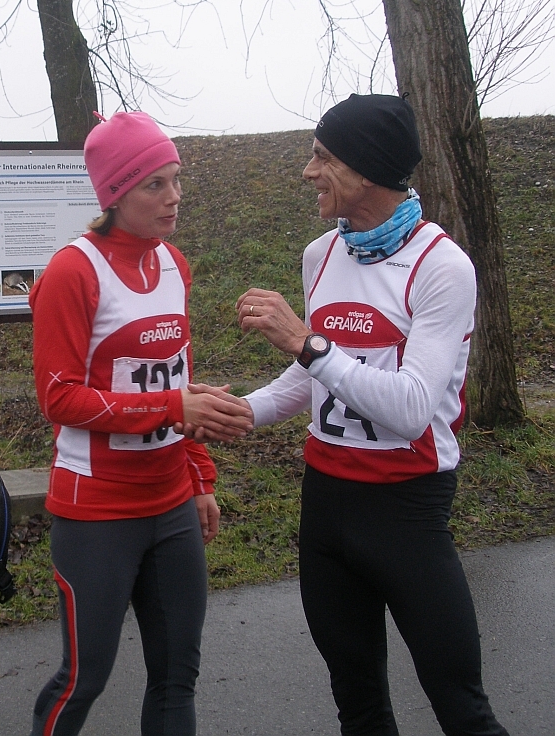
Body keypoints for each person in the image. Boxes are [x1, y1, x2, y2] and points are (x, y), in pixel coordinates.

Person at [184, 93, 509, 736]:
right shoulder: (322, 254)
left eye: (322, 157)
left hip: (408, 509)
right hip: (328, 506)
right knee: (358, 708)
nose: (308, 172)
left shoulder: (441, 265)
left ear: (367, 169)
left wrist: (306, 341)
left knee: (462, 711)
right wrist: (243, 410)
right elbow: (317, 378)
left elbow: (412, 408)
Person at [28, 111, 252, 736]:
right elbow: (60, 399)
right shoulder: (74, 271)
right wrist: (172, 409)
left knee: (178, 678)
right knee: (84, 680)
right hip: (96, 510)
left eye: (176, 179)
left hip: (171, 501)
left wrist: (200, 474)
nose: (173, 196)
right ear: (116, 193)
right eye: (155, 184)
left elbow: (174, 378)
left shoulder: (174, 265)